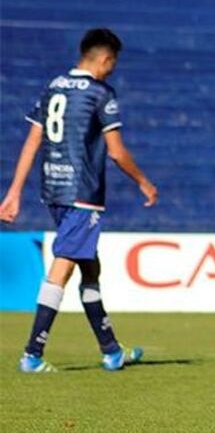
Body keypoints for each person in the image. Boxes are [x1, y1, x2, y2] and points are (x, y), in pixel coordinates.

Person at [0, 28, 158, 372]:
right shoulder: (100, 93)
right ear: (104, 59)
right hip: (82, 194)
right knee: (64, 266)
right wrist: (144, 181)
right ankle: (32, 354)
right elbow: (115, 152)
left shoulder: (54, 85)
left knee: (90, 266)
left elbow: (31, 141)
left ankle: (112, 351)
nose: (112, 69)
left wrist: (13, 192)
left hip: (53, 190)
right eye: (112, 62)